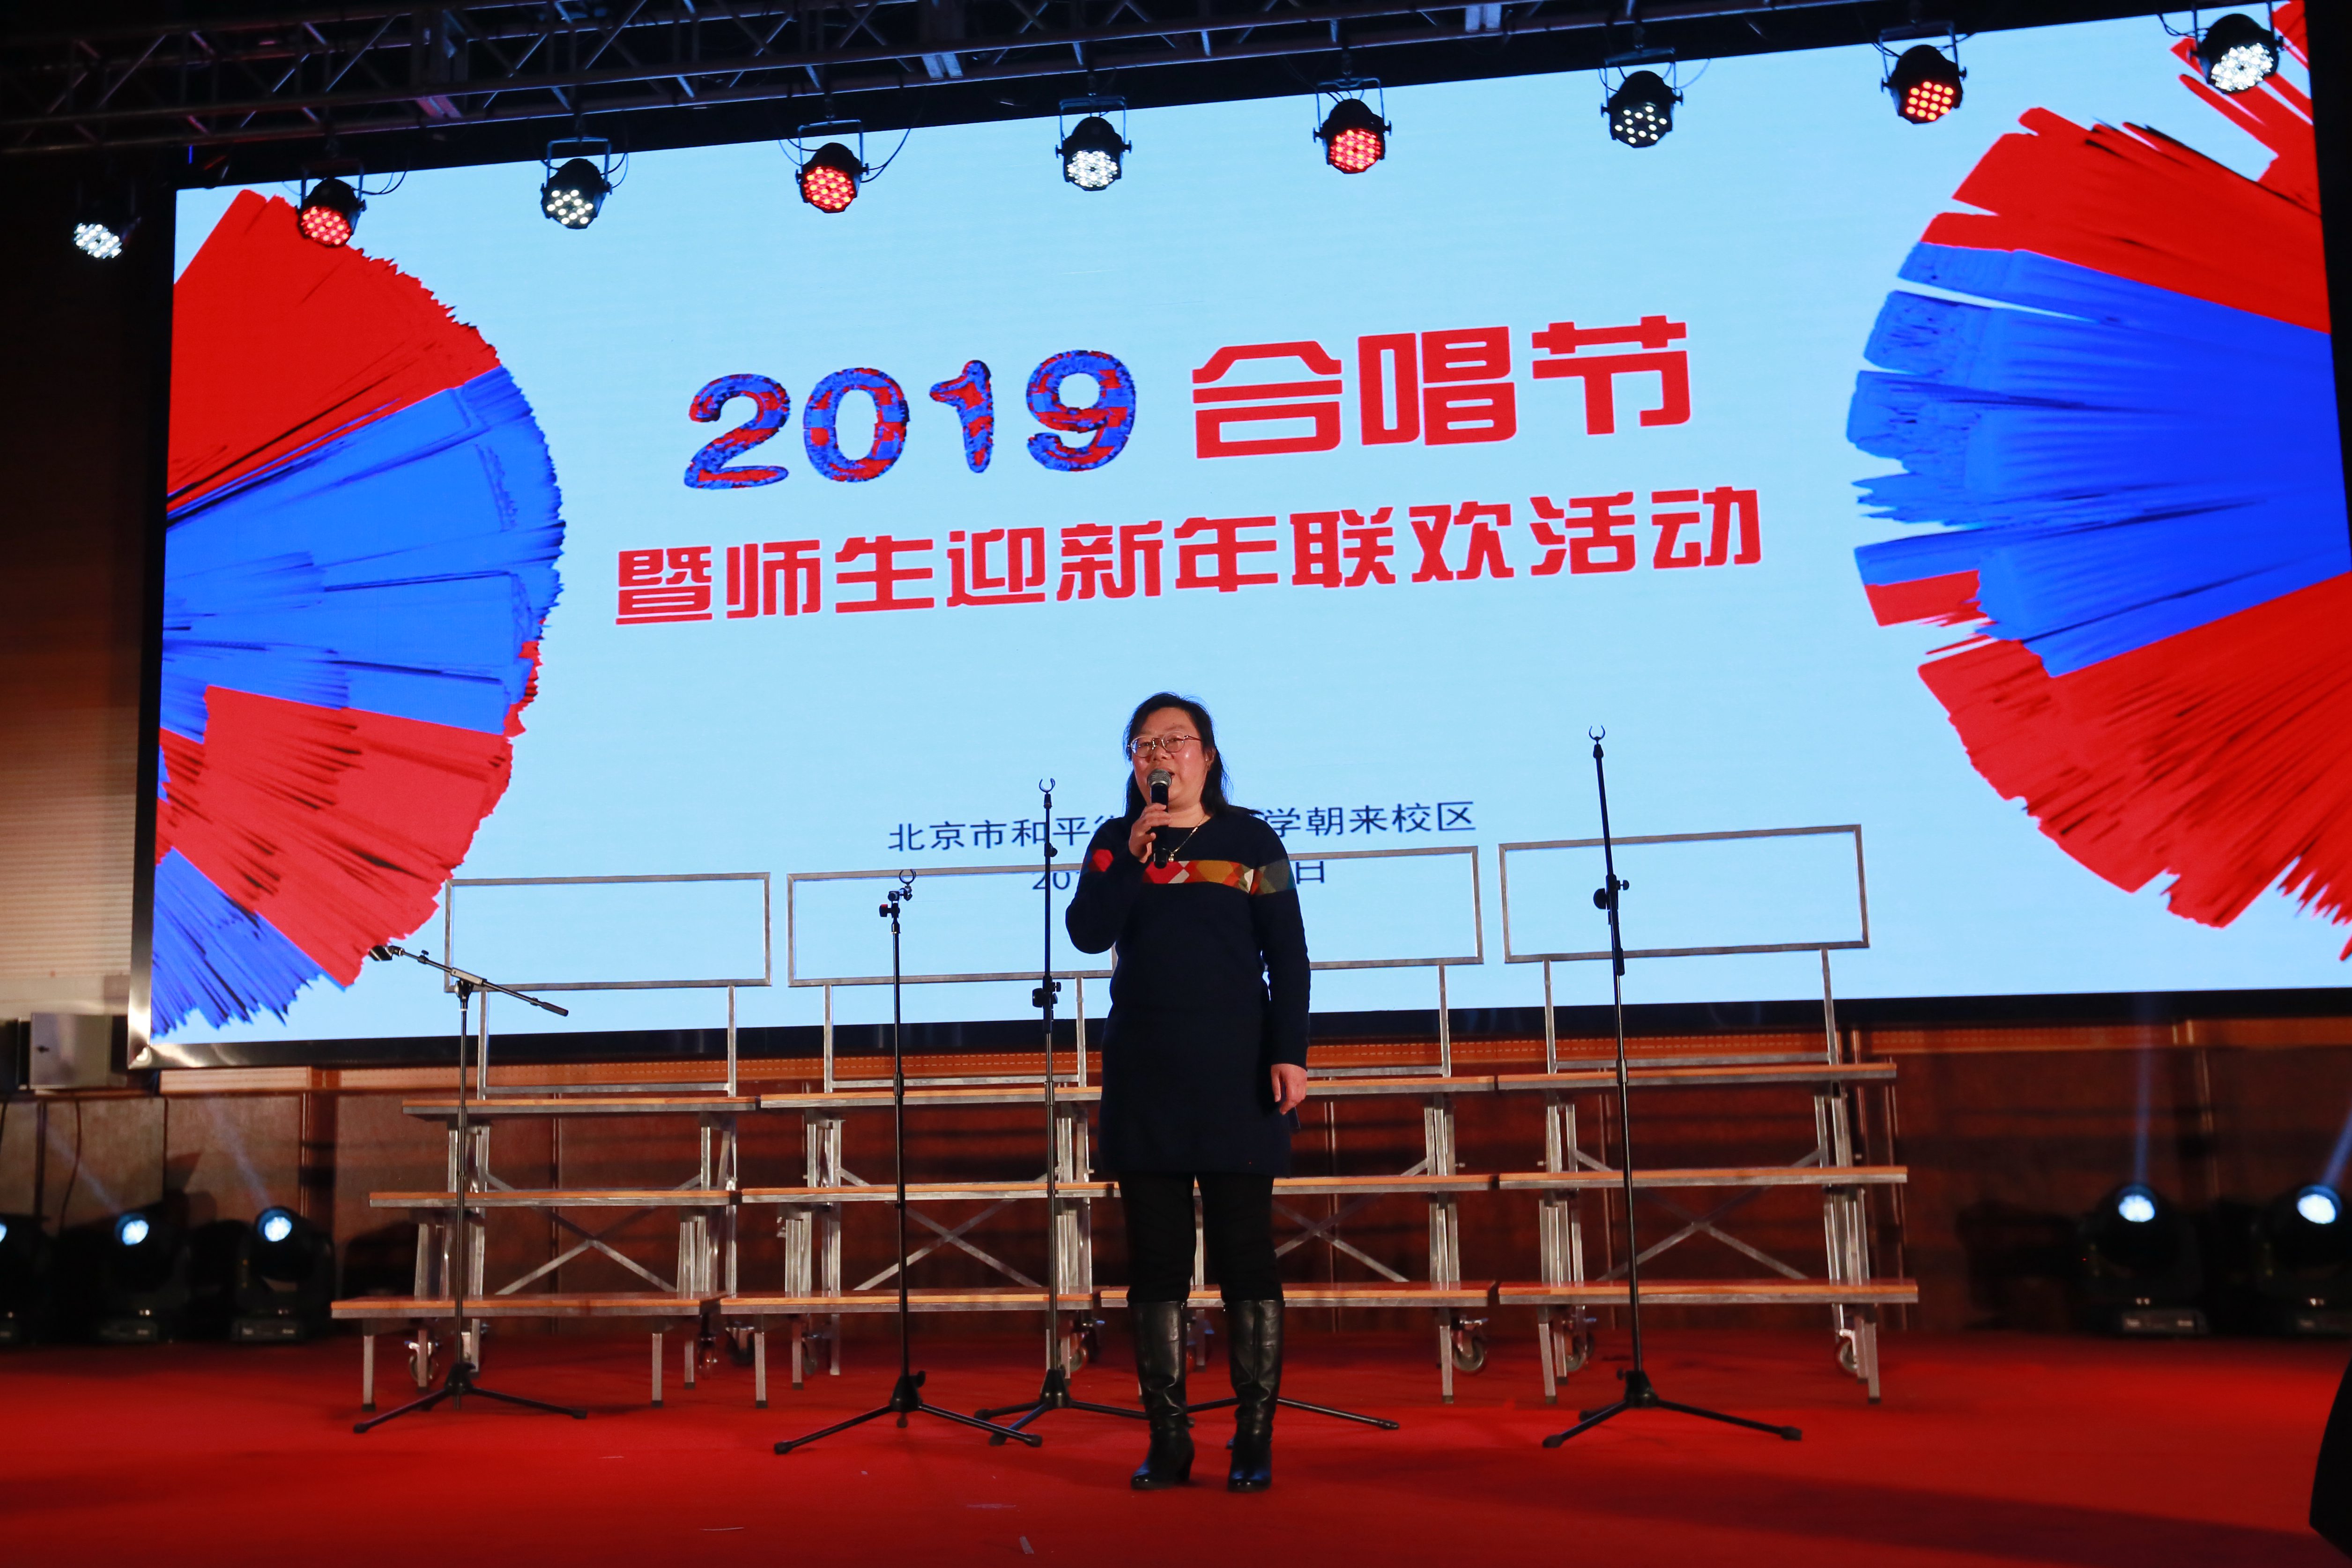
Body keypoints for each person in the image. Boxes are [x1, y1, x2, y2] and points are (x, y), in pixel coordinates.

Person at [1066, 692, 1310, 1493]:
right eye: (1144, 745)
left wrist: (1289, 1054)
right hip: (1147, 1070)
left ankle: (1253, 1436)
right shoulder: (1114, 842)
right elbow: (1088, 934)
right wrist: (1134, 856)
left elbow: (1289, 956)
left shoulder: (1251, 841)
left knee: (1245, 1254)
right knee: (1158, 1259)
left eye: (1175, 741)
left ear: (1207, 755)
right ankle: (1168, 1438)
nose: (1159, 756)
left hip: (1237, 1067)